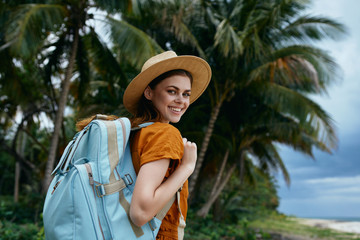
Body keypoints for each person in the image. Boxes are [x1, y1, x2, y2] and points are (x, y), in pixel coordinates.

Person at [123, 51, 211, 240]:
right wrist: (186, 167)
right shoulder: (165, 134)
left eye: (186, 94)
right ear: (149, 92)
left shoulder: (134, 132)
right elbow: (140, 213)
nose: (181, 100)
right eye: (172, 91)